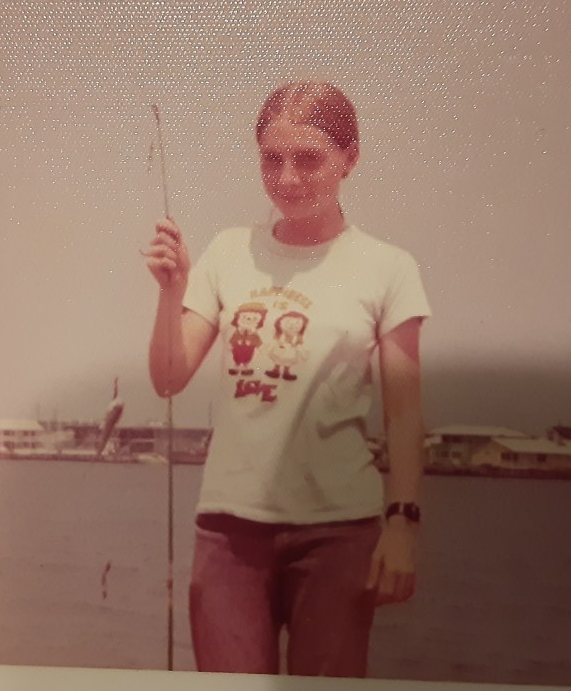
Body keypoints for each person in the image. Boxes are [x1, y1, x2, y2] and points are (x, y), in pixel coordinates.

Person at [145, 81, 430, 677]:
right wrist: (172, 292)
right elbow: (169, 377)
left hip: (337, 531)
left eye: (309, 159)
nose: (289, 179)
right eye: (272, 160)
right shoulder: (228, 253)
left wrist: (402, 523)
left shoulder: (388, 268)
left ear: (350, 158)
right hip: (229, 531)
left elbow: (403, 415)